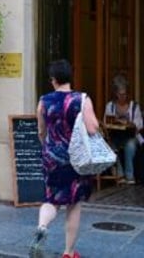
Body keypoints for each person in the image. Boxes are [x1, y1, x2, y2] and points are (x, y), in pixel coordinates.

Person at [30, 59, 100, 258]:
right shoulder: (82, 99)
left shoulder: (44, 101)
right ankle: (68, 253)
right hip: (75, 160)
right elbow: (93, 127)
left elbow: (41, 131)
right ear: (70, 76)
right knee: (73, 203)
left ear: (53, 80)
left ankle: (42, 227)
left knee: (51, 199)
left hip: (52, 157)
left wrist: (49, 145)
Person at [103, 77, 142, 185]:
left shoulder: (134, 106)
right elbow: (105, 123)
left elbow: (140, 124)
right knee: (110, 146)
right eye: (120, 94)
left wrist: (131, 124)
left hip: (131, 136)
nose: (123, 97)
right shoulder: (110, 106)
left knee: (130, 146)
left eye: (124, 94)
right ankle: (119, 175)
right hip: (115, 136)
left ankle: (129, 176)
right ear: (116, 93)